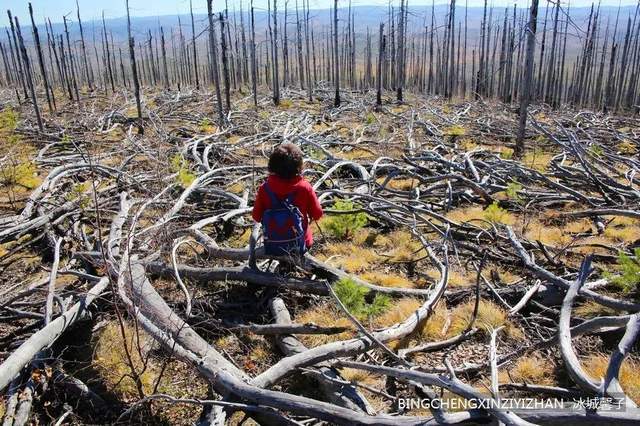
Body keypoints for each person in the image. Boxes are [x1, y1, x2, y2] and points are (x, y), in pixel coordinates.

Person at [252, 143, 323, 259]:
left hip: (273, 245)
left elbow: (256, 216)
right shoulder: (304, 187)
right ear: (298, 166)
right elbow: (318, 214)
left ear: (272, 165)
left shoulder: (265, 188)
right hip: (301, 244)